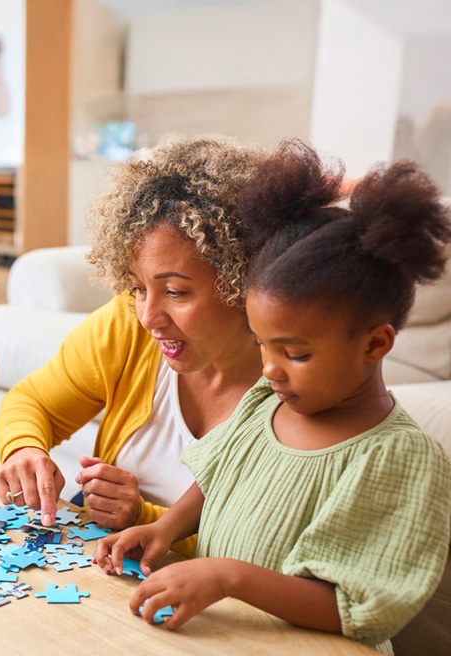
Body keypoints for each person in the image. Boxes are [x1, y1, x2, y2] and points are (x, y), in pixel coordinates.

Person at [93, 141, 451, 654]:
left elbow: (360, 610)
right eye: (261, 344)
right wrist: (165, 529)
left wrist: (229, 577)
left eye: (295, 353)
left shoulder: (400, 458)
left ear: (376, 343)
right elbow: (221, 479)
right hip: (220, 635)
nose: (267, 368)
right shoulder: (268, 401)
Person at [0, 137, 268, 541]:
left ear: (241, 282)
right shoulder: (127, 326)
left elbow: (261, 546)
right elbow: (31, 402)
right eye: (138, 287)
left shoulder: (292, 384)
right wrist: (25, 451)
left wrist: (145, 516)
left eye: (175, 291)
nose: (148, 317)